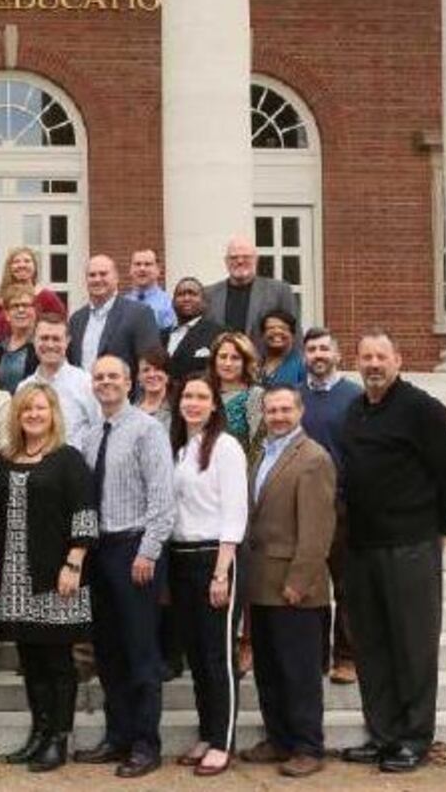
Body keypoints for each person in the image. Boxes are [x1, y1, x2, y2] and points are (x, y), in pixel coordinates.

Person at [338, 331, 446, 775]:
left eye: (381, 356)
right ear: (357, 362)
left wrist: (443, 527)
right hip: (362, 547)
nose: (373, 364)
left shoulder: (422, 409)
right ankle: (383, 735)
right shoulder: (356, 409)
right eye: (366, 356)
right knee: (371, 647)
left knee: (413, 647)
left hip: (410, 545)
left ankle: (414, 738)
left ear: (398, 359)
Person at [72, 355, 174, 779]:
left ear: (130, 382)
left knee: (140, 651)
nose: (106, 382)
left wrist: (148, 552)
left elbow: (163, 499)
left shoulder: (148, 430)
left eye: (113, 376)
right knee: (109, 652)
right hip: (100, 551)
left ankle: (146, 744)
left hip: (135, 550)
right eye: (99, 377)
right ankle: (117, 736)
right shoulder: (92, 435)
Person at [0, 383, 97, 772]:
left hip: (56, 575)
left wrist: (74, 563)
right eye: (26, 409)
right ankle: (38, 733)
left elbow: (84, 512)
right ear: (17, 416)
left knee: (58, 662)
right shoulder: (4, 459)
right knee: (31, 661)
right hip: (15, 577)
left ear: (53, 414)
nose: (33, 415)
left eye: (40, 408)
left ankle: (58, 739)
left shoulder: (68, 458)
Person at [239, 386, 337, 778]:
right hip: (262, 582)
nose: (278, 416)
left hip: (294, 586)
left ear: (300, 411)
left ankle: (308, 746)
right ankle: (279, 738)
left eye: (285, 409)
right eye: (272, 410)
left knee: (299, 672)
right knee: (269, 669)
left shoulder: (313, 458)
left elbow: (317, 530)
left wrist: (300, 580)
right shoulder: (262, 453)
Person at [166, 375, 248, 776]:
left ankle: (222, 740)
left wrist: (221, 573)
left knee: (217, 655)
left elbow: (235, 510)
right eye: (187, 396)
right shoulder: (181, 449)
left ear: (215, 404)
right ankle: (206, 731)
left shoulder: (226, 447)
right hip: (182, 557)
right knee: (196, 655)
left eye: (202, 397)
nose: (193, 403)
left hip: (215, 557)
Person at [299, 327, 362, 685]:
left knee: (347, 585)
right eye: (312, 349)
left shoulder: (355, 397)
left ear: (337, 355)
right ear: (304, 356)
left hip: (342, 504)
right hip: (303, 504)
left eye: (324, 349)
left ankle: (347, 657)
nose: (318, 355)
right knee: (309, 584)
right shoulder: (294, 397)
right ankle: (315, 655)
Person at [15, 311, 100, 448]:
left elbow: (99, 429)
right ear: (33, 340)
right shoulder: (23, 387)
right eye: (44, 338)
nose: (50, 345)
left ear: (67, 341)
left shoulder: (86, 383)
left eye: (56, 339)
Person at [67, 255, 160, 379]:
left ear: (116, 278)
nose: (97, 279)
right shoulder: (77, 320)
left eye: (103, 274)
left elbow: (150, 364)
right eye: (92, 275)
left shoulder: (139, 314)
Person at [203, 236, 298, 353]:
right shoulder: (209, 294)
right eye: (234, 257)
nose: (240, 261)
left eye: (246, 257)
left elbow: (295, 334)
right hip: (224, 362)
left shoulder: (279, 291)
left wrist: (296, 363)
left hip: (266, 362)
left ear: (256, 259)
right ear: (226, 261)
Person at [0, 246, 65, 345]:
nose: (22, 265)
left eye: (27, 261)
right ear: (9, 267)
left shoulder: (48, 298)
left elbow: (61, 328)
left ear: (35, 267)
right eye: (16, 262)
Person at [210, 331, 265, 461]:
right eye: (223, 357)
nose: (228, 363)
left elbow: (258, 447)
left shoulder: (254, 394)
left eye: (235, 358)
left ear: (246, 362)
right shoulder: (205, 392)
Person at [163, 277, 224, 381]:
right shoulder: (161, 336)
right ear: (173, 302)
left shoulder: (218, 334)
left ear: (205, 302)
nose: (186, 298)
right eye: (181, 294)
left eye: (193, 294)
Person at [0, 285, 42, 394]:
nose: (21, 310)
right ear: (7, 314)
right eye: (15, 306)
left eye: (26, 305)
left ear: (35, 311)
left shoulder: (42, 346)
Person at [127, 249, 177, 331]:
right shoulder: (121, 305)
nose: (142, 268)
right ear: (130, 269)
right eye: (137, 264)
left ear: (158, 270)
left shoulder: (169, 305)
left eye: (147, 264)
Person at [257, 309, 307, 387]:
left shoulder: (303, 365)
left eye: (283, 328)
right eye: (270, 328)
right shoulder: (254, 365)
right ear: (262, 335)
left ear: (293, 335)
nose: (277, 331)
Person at [135, 349, 174, 432]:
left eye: (158, 369)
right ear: (138, 377)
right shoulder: (129, 413)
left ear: (167, 375)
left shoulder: (177, 410)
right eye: (146, 370)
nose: (152, 374)